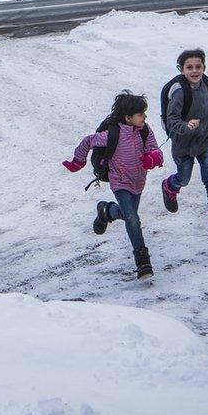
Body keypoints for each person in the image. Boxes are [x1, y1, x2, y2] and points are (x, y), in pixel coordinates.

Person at [62, 92, 164, 280]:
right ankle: (143, 262)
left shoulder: (144, 130)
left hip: (138, 181)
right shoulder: (112, 135)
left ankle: (106, 211)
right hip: (120, 182)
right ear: (128, 118)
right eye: (141, 114)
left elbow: (155, 148)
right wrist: (78, 161)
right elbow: (88, 141)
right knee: (133, 219)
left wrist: (154, 158)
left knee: (127, 216)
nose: (145, 117)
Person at [160, 48, 208, 240]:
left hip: (205, 139)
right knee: (184, 178)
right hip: (183, 143)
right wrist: (186, 126)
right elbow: (172, 121)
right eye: (189, 67)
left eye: (198, 66)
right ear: (181, 69)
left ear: (204, 67)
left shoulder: (205, 83)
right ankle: (170, 186)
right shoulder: (179, 92)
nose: (194, 71)